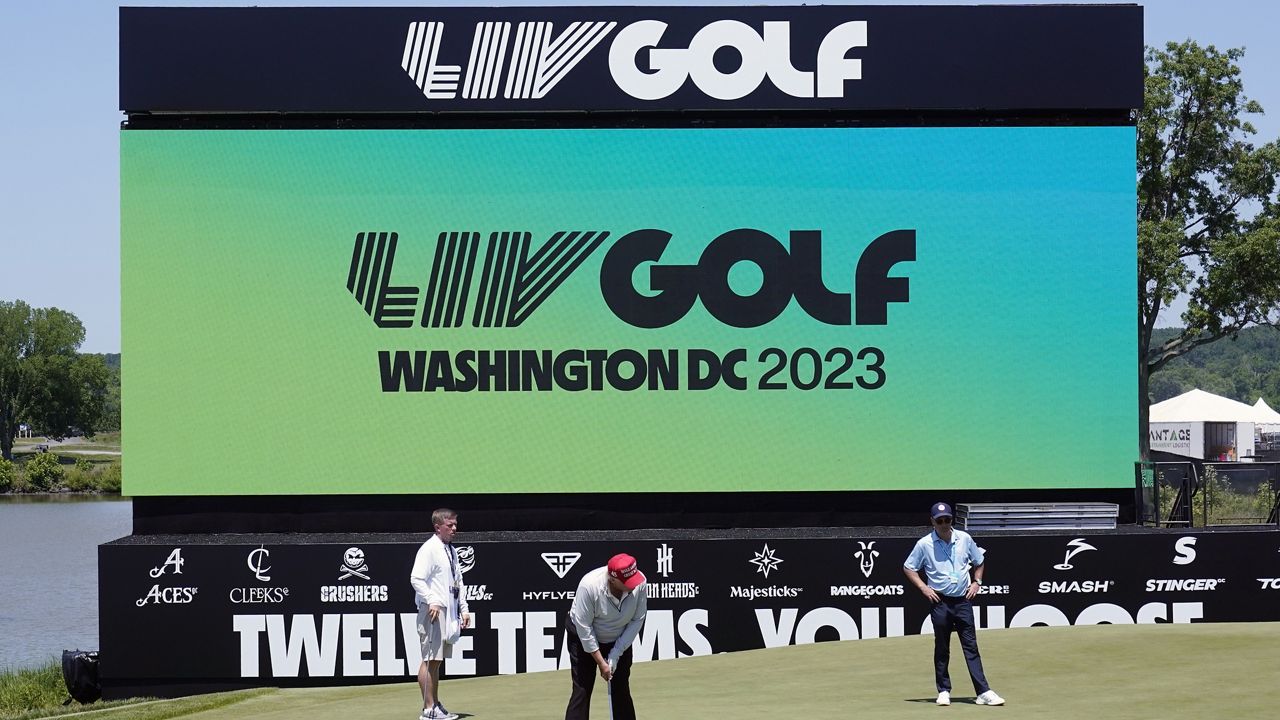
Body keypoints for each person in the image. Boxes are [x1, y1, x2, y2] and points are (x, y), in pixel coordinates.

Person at [903, 502, 1005, 707]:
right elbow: (909, 567)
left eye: (947, 520)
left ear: (952, 520)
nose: (943, 524)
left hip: (963, 602)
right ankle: (943, 690)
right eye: (939, 520)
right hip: (940, 602)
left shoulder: (964, 539)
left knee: (971, 647)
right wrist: (924, 588)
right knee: (942, 647)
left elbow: (979, 561)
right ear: (932, 521)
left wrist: (977, 582)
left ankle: (983, 692)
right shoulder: (924, 544)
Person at [564, 553, 648, 720]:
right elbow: (584, 628)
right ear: (612, 579)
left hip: (618, 637)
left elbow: (637, 619)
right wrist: (602, 663)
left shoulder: (640, 582)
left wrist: (616, 653)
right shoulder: (589, 586)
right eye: (627, 582)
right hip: (582, 638)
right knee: (582, 689)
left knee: (621, 687)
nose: (634, 585)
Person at [410, 508, 471, 720]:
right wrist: (432, 599)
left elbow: (458, 581)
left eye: (455, 524)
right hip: (433, 611)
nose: (455, 528)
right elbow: (416, 578)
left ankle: (435, 704)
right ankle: (428, 709)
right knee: (429, 659)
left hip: (448, 610)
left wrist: (464, 608)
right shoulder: (429, 549)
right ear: (438, 527)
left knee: (437, 661)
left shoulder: (451, 550)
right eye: (450, 525)